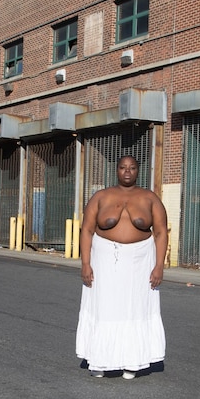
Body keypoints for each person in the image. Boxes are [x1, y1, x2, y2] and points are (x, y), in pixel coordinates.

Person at [76, 155, 167, 379]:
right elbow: (86, 230)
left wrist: (159, 266)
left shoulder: (150, 198)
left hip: (139, 262)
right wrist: (85, 263)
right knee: (105, 308)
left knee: (134, 308)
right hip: (105, 261)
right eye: (123, 168)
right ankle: (100, 359)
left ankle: (132, 361)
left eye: (132, 168)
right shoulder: (101, 197)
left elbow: (161, 232)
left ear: (138, 171)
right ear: (116, 170)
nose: (127, 172)